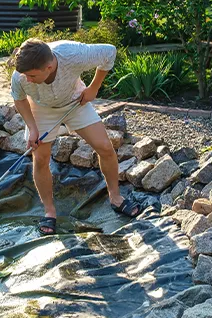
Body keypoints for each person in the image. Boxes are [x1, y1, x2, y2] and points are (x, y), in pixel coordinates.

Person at [9, 38, 142, 235]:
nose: (27, 79)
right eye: (25, 76)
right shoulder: (20, 76)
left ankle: (116, 198)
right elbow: (19, 99)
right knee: (41, 158)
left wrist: (94, 88)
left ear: (49, 66)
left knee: (105, 147)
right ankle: (49, 211)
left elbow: (109, 52)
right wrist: (32, 128)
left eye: (32, 75)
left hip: (75, 102)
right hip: (41, 108)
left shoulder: (72, 54)